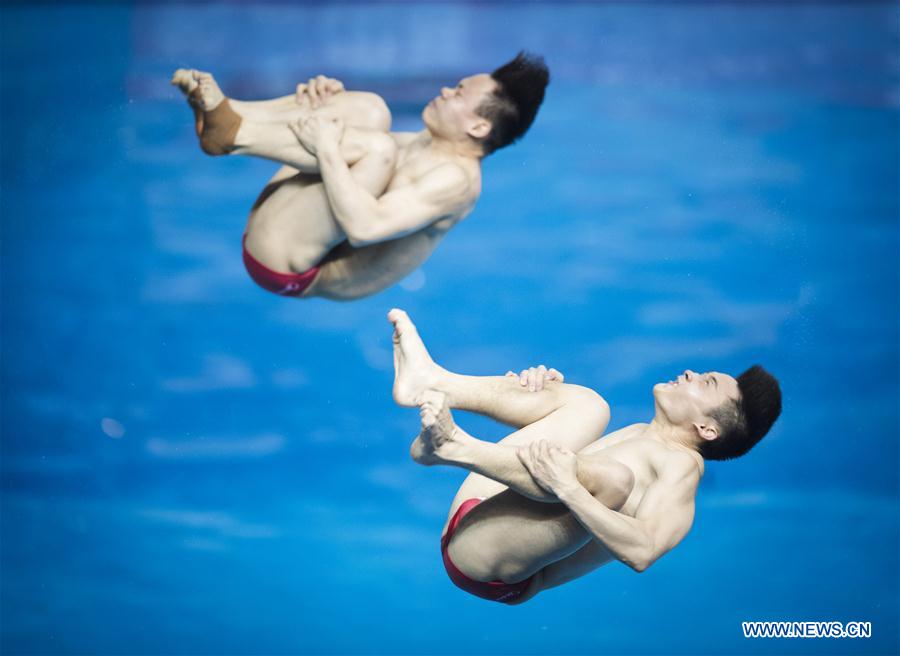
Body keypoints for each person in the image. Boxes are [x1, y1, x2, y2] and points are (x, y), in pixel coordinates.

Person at [387, 309, 781, 604]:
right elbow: (550, 468)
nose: (692, 373)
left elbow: (643, 551)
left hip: (490, 566)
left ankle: (451, 445)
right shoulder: (644, 435)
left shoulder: (682, 467)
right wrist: (541, 397)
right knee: (589, 405)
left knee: (613, 482)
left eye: (706, 382)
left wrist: (569, 488)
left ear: (707, 430)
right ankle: (433, 383)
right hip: (482, 511)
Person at [170, 53, 549, 299]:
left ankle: (234, 133)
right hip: (285, 229)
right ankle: (230, 114)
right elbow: (343, 145)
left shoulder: (455, 181)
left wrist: (329, 146)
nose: (446, 91)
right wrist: (326, 101)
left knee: (375, 149)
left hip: (286, 266)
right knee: (369, 110)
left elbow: (365, 227)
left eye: (459, 93)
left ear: (480, 127)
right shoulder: (431, 144)